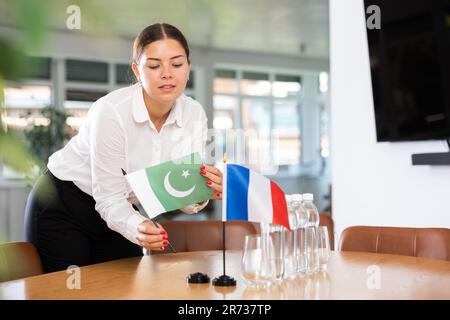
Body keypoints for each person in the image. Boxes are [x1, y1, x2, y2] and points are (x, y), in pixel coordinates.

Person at [24, 23, 223, 273]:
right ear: (137, 71)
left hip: (119, 206)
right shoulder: (111, 112)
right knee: (71, 291)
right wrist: (137, 226)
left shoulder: (194, 114)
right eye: (153, 65)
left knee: (126, 287)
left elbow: (181, 192)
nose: (167, 74)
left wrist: (203, 189)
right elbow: (107, 197)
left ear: (188, 67)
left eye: (177, 64)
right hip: (63, 203)